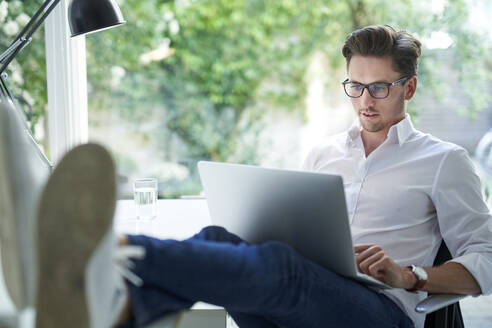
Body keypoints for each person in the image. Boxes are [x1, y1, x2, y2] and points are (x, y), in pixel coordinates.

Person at [2, 25, 492, 328]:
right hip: (314, 294)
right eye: (355, 86)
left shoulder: (443, 160)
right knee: (221, 236)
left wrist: (411, 275)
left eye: (380, 87)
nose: (365, 99)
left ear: (409, 86)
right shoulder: (324, 152)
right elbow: (304, 231)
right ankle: (116, 307)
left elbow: (487, 258)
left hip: (381, 314)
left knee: (277, 267)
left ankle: (97, 250)